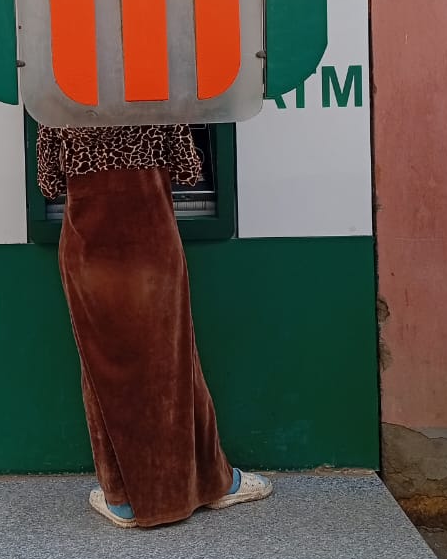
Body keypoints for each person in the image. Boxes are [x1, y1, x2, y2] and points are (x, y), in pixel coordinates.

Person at [37, 121, 273, 528]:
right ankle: (213, 483)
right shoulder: (155, 96)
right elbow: (188, 170)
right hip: (152, 248)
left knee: (102, 372)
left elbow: (48, 182)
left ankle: (122, 499)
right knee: (174, 364)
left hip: (90, 254)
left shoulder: (60, 99)